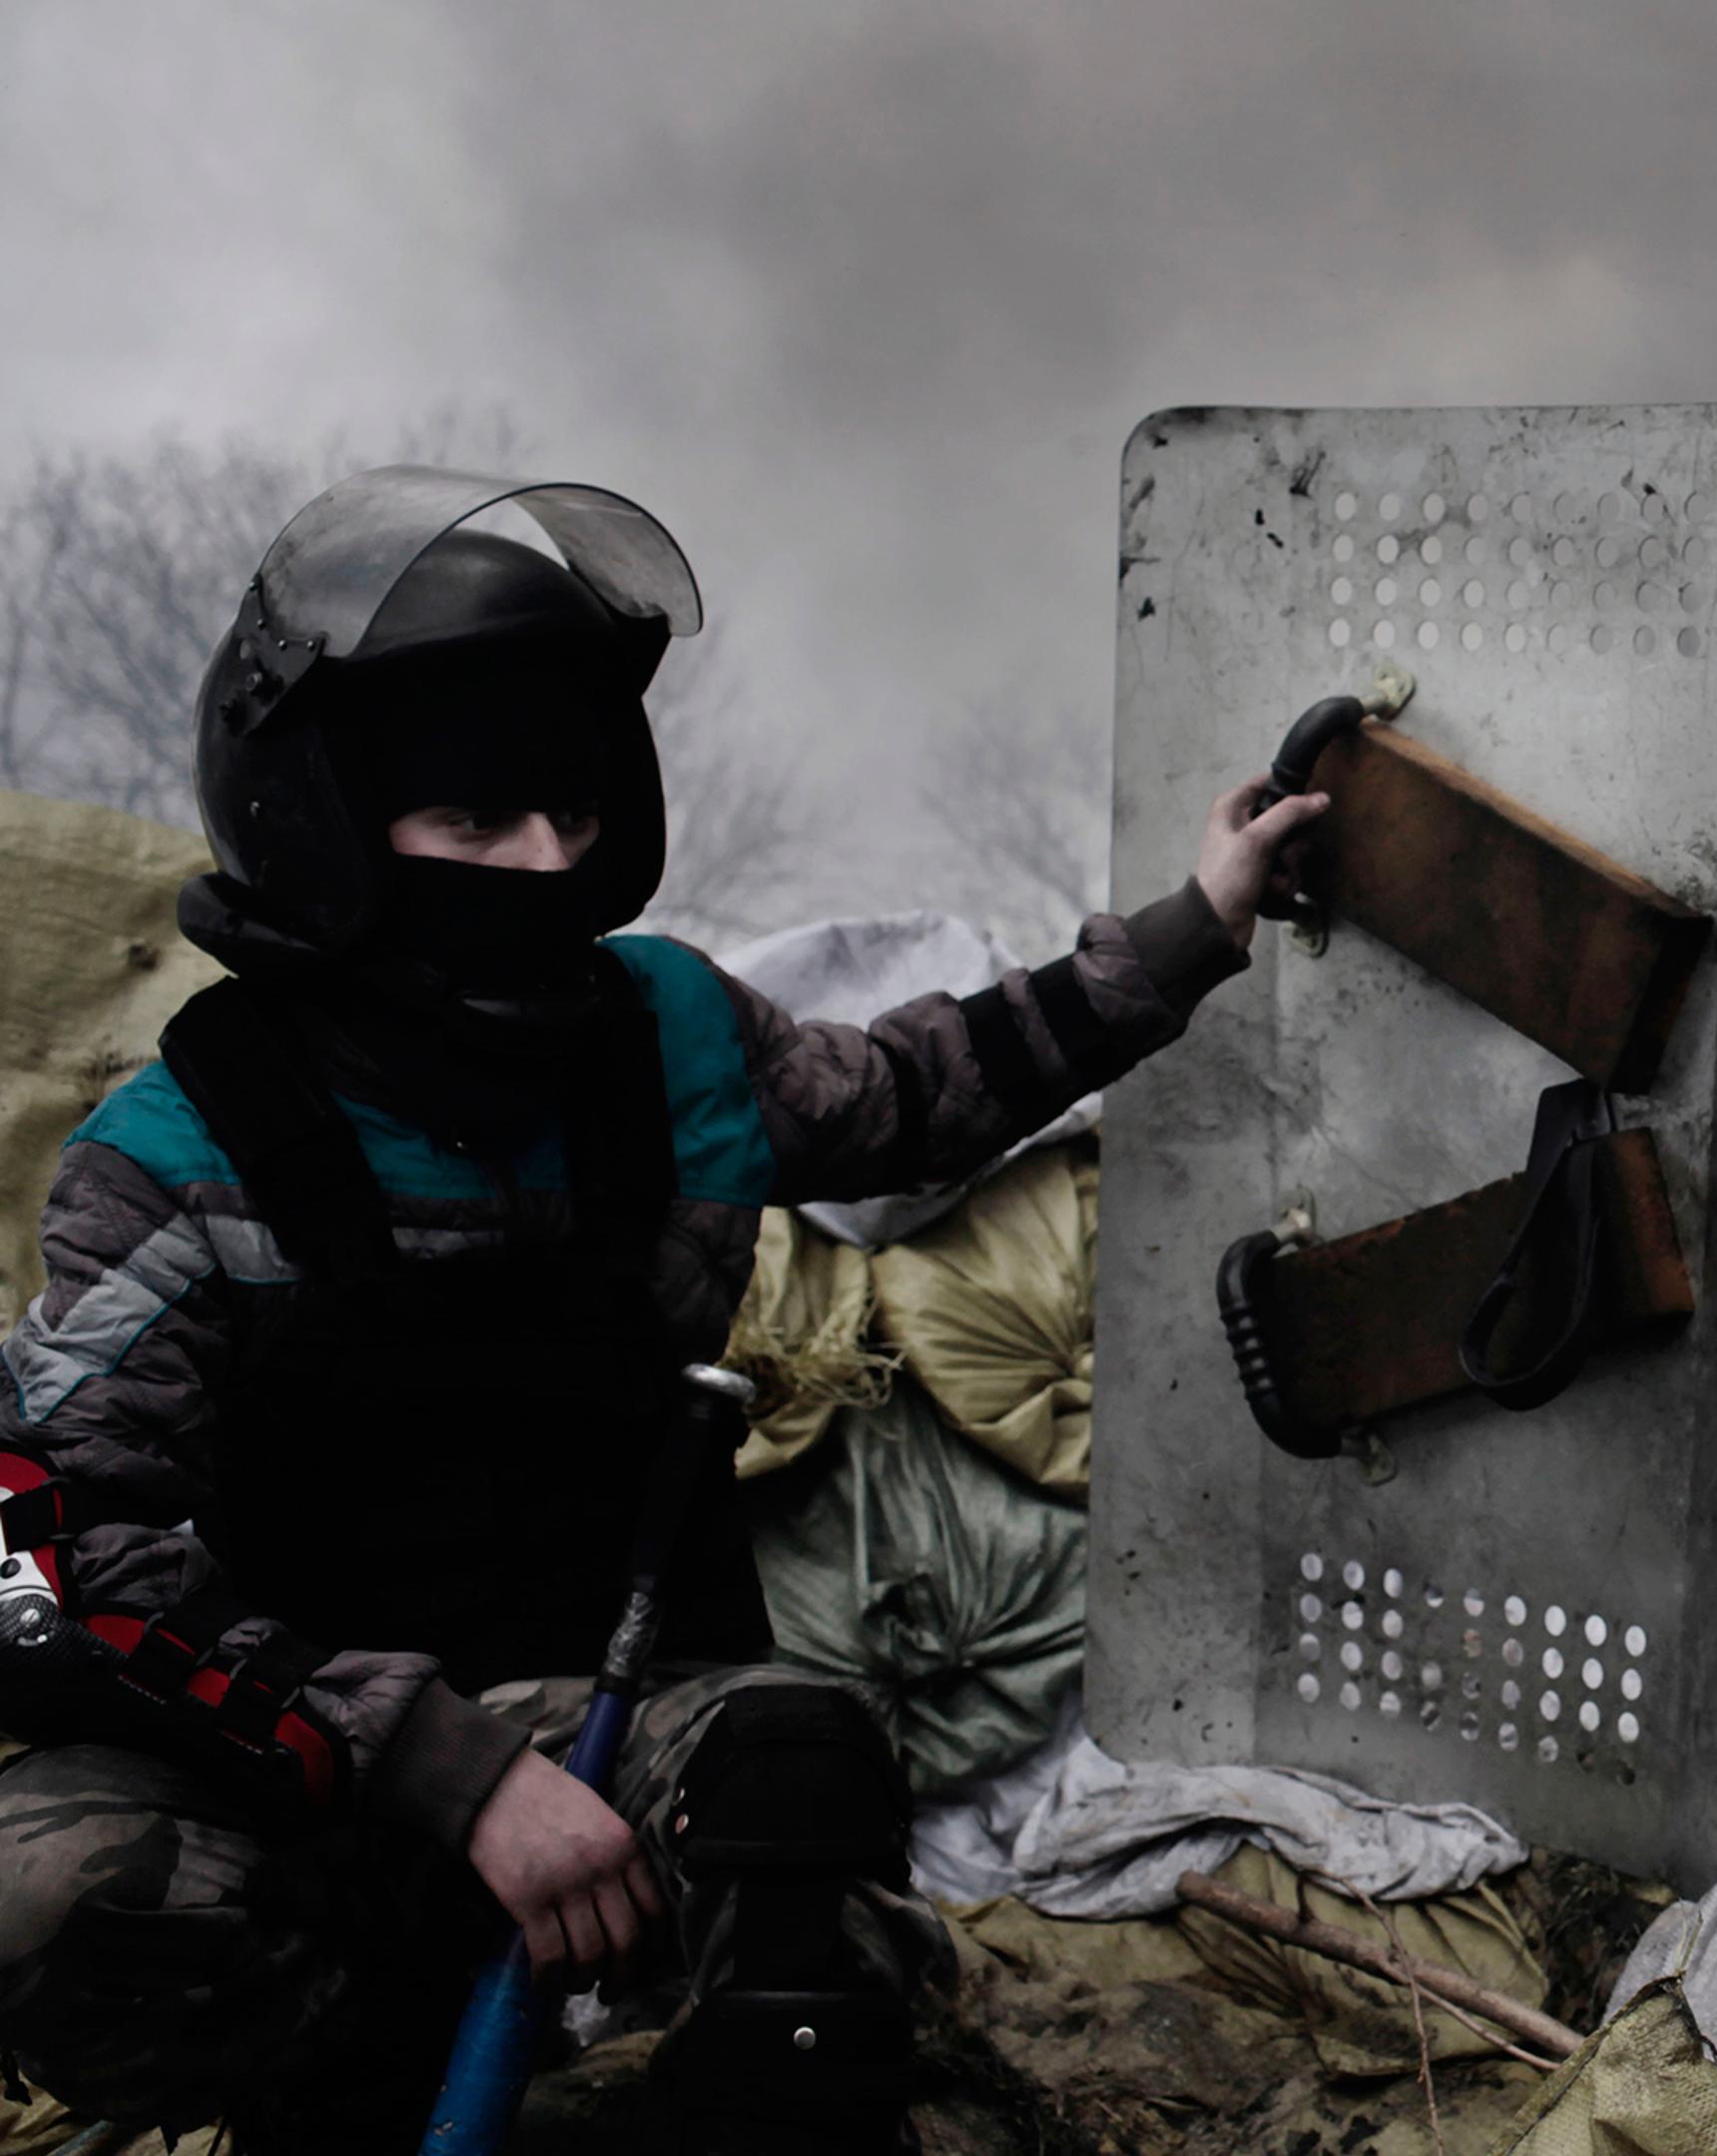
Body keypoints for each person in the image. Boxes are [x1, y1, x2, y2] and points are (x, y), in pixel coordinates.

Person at [0, 466, 1325, 2149]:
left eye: (571, 814)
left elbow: (924, 1091)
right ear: (319, 824)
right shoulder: (175, 1158)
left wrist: (1195, 927)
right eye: (474, 824)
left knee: (800, 1782)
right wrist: (449, 1777)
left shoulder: (678, 1036)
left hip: (624, 1712)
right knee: (45, 1899)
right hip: (296, 1761)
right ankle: (340, 2078)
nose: (542, 863)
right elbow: (39, 1564)